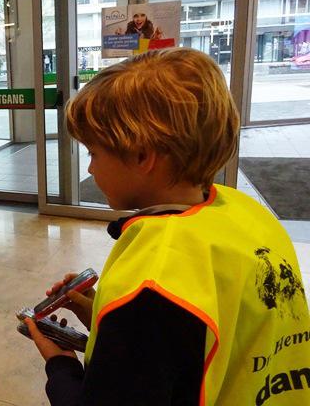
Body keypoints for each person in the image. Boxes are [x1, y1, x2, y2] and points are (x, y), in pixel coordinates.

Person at [25, 48, 310, 405]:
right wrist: (104, 317)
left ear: (143, 155)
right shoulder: (247, 213)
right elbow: (204, 336)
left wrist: (61, 364)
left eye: (93, 153)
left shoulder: (152, 284)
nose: (90, 169)